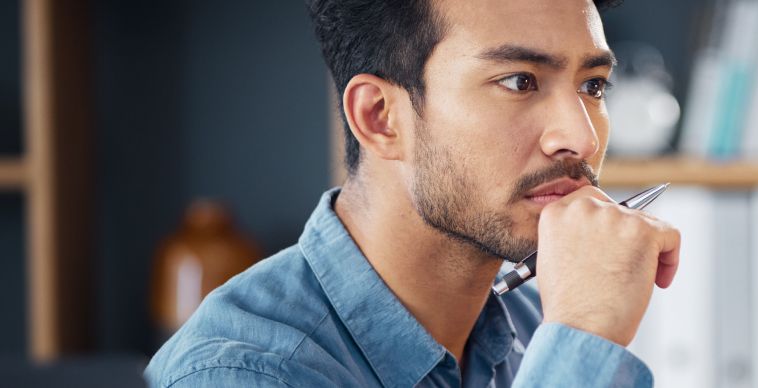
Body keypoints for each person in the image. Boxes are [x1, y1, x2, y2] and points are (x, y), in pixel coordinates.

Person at [143, 0, 682, 386]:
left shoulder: (533, 319)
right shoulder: (243, 375)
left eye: (593, 86)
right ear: (380, 118)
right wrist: (584, 341)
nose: (582, 138)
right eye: (520, 81)